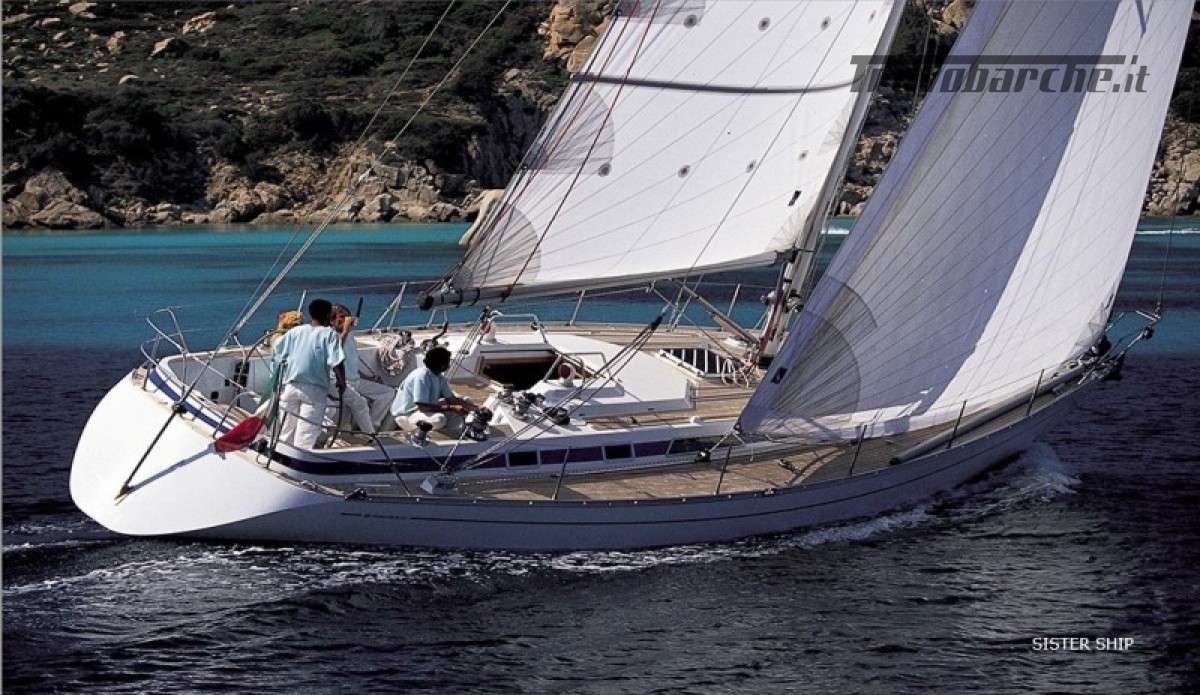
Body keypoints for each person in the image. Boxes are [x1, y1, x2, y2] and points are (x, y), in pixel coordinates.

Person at [272, 299, 346, 449]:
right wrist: (342, 382)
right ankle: (298, 460)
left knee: (285, 431)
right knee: (305, 436)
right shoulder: (330, 334)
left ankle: (279, 455)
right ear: (328, 315)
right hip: (314, 391)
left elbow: (278, 351)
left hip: (291, 386)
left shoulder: (295, 331)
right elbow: (337, 361)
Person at [326, 303, 395, 433]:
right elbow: (335, 350)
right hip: (340, 383)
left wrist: (368, 377)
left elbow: (352, 363)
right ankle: (368, 433)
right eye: (341, 317)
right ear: (331, 320)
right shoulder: (329, 335)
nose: (346, 321)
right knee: (360, 403)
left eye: (347, 317)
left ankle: (373, 425)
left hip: (356, 380)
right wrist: (345, 331)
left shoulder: (350, 336)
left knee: (388, 393)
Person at [392, 346, 477, 434]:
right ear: (441, 364)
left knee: (465, 402)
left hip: (425, 410)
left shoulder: (440, 378)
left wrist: (475, 408)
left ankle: (456, 435)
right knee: (439, 419)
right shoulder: (421, 376)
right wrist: (452, 407)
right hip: (407, 415)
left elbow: (452, 400)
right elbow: (423, 407)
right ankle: (417, 433)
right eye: (447, 362)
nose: (449, 365)